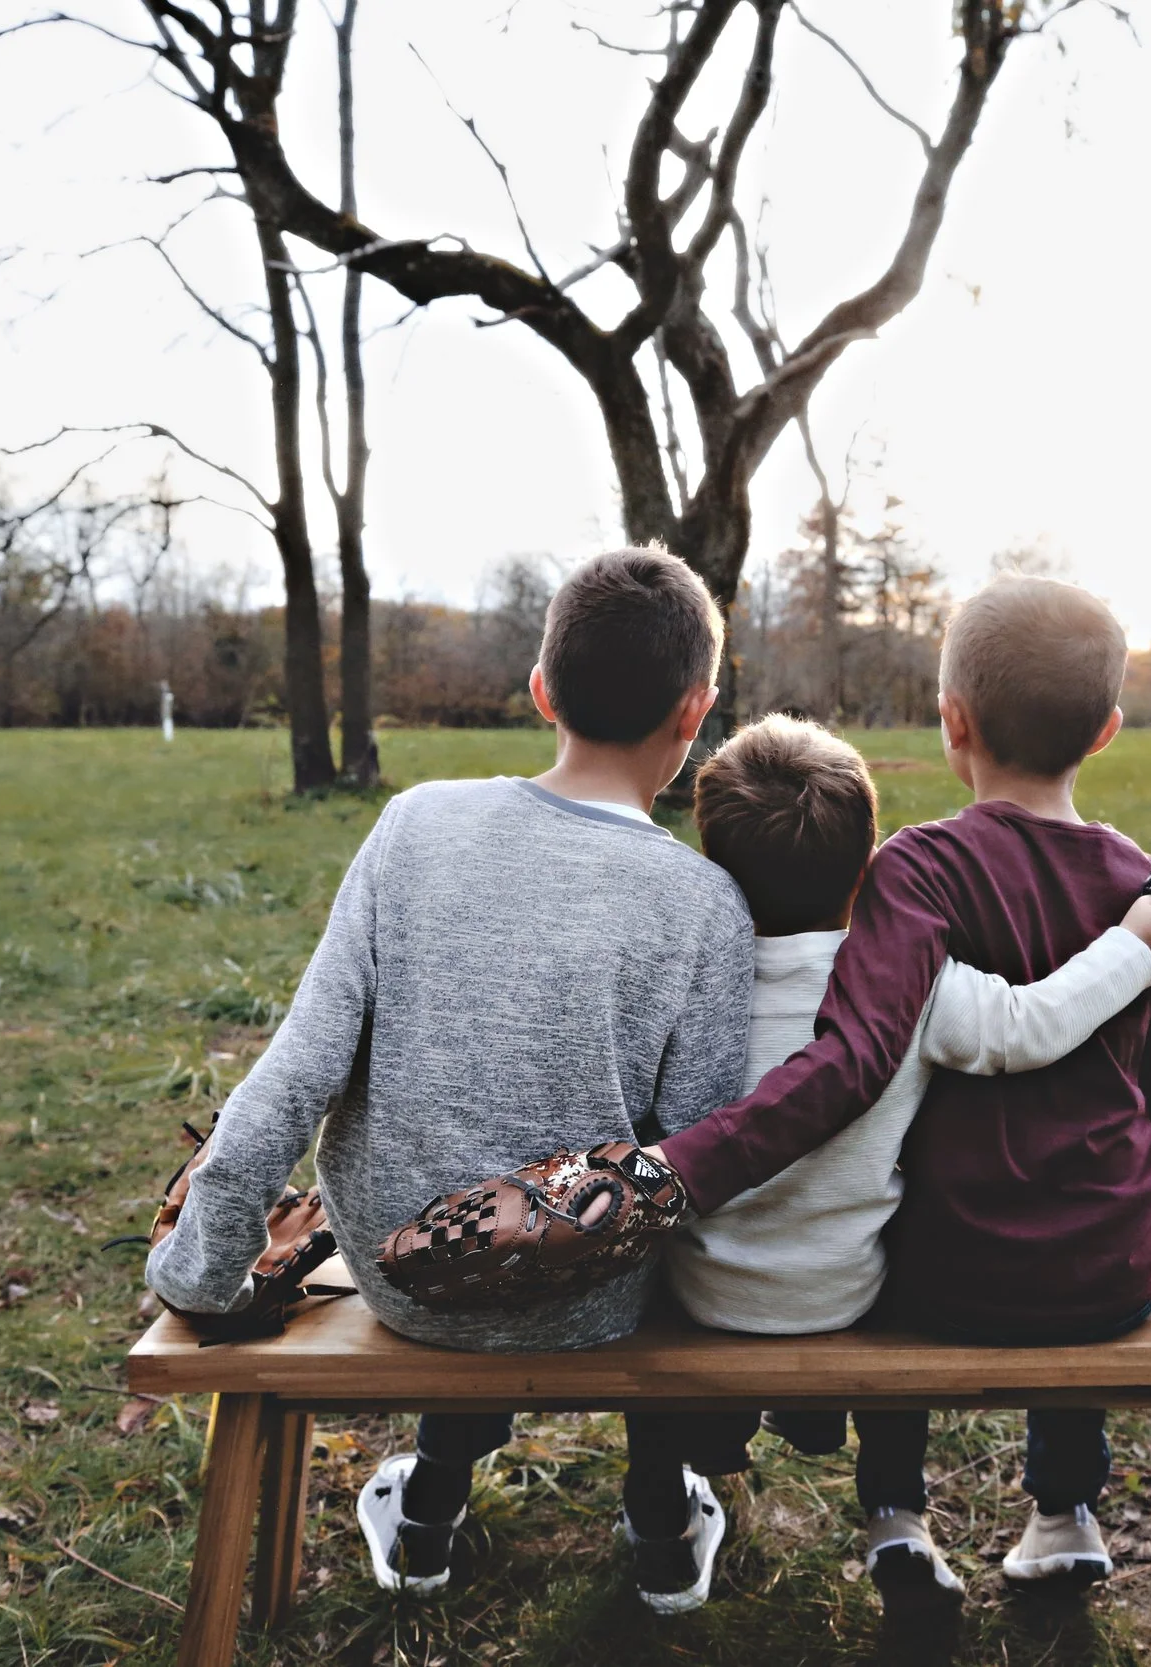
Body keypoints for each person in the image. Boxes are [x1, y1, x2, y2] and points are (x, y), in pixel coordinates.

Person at [145, 548, 755, 1608]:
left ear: (541, 689)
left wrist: (204, 1272)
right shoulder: (702, 902)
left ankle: (425, 1512)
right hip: (597, 1299)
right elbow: (696, 1152)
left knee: (467, 1178)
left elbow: (298, 1066)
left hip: (399, 1272)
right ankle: (661, 1519)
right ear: (695, 709)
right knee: (638, 1202)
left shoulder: (414, 823)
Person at [649, 575, 1151, 1621]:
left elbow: (872, 1031)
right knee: (1085, 1213)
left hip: (953, 1260)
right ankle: (1063, 1514)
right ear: (1105, 731)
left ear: (951, 719)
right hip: (1113, 1264)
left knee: (902, 1219)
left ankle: (896, 1514)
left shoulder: (916, 868)